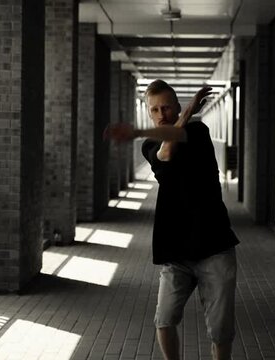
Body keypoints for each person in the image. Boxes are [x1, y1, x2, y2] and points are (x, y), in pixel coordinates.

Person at [105, 79, 239, 360]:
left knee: (220, 329)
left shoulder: (198, 131)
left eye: (167, 107)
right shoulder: (150, 146)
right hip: (176, 250)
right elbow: (166, 152)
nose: (161, 114)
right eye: (154, 109)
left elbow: (179, 138)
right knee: (164, 321)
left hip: (214, 244)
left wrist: (189, 115)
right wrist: (184, 113)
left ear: (178, 107)